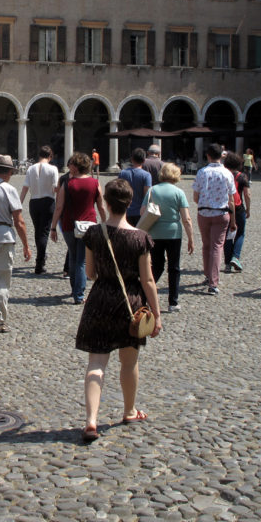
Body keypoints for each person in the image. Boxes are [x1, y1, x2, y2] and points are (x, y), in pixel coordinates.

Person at [76, 178, 162, 442]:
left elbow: (90, 273)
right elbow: (148, 281)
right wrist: (157, 315)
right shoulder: (141, 238)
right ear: (130, 202)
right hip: (131, 304)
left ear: (106, 202)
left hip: (100, 299)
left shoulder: (93, 234)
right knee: (129, 361)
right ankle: (129, 410)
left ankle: (91, 421)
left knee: (96, 363)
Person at [0, 155, 32, 333]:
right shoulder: (9, 189)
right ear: (9, 172)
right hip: (3, 238)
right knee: (1, 280)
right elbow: (19, 221)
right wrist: (26, 244)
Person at [51, 151, 107, 304]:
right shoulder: (95, 183)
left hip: (69, 224)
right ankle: (79, 294)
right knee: (81, 260)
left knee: (74, 257)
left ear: (75, 167)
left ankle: (74, 289)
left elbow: (59, 207)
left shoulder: (67, 184)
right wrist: (105, 223)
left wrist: (53, 227)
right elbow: (101, 206)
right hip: (89, 224)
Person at [141, 163, 193, 312]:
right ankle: (173, 302)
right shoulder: (179, 192)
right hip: (173, 233)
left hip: (155, 232)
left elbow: (143, 211)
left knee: (156, 266)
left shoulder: (152, 191)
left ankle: (144, 294)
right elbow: (186, 219)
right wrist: (191, 238)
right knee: (174, 268)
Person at [192, 144, 236, 294]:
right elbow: (231, 199)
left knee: (206, 245)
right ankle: (213, 282)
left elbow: (195, 196)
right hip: (221, 213)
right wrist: (233, 219)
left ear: (208, 156)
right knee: (217, 246)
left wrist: (205, 204)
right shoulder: (227, 173)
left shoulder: (201, 172)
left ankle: (207, 275)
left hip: (204, 213)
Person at [19, 145, 59, 274]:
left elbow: (25, 188)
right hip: (48, 201)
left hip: (34, 202)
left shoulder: (31, 168)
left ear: (39, 155)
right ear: (50, 156)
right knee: (44, 232)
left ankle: (41, 257)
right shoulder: (53, 169)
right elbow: (55, 188)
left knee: (38, 231)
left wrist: (19, 204)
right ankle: (39, 264)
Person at [222, 152, 251, 273]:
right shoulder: (242, 176)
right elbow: (247, 194)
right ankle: (236, 257)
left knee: (227, 235)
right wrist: (248, 209)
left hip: (225, 207)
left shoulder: (223, 175)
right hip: (239, 208)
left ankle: (228, 263)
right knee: (240, 233)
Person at [119, 148, 151, 227]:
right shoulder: (146, 175)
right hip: (140, 212)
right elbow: (147, 195)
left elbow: (119, 190)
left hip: (125, 211)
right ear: (144, 160)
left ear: (131, 159)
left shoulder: (123, 173)